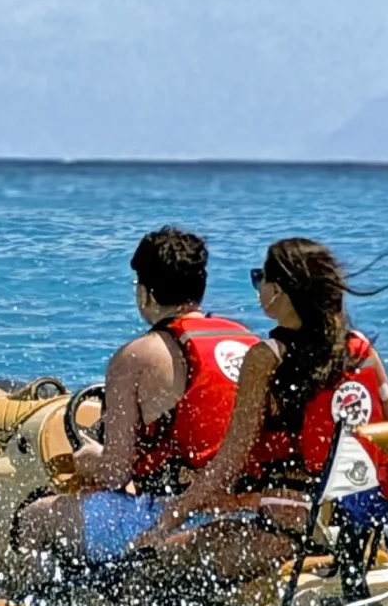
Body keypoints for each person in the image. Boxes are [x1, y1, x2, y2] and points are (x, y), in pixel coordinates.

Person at [13, 226, 254, 572]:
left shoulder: (135, 358)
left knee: (37, 517)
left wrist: (89, 458)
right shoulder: (245, 342)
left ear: (145, 294)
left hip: (176, 516)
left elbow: (114, 473)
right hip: (243, 511)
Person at [161, 237, 388, 579]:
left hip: (289, 531)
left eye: (261, 278)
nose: (258, 286)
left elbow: (230, 462)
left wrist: (168, 519)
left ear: (279, 291)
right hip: (359, 527)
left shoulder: (266, 358)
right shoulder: (362, 351)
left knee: (157, 560)